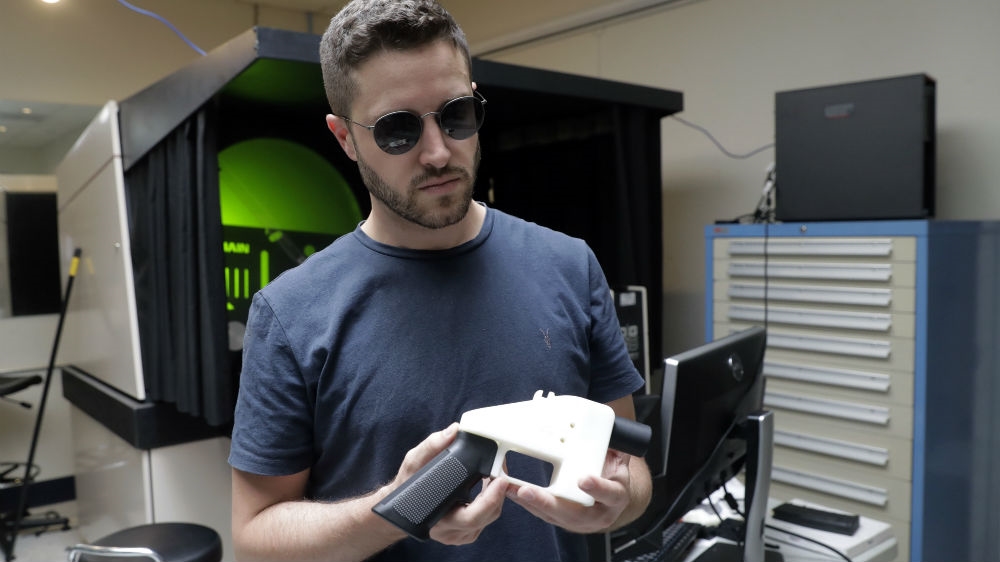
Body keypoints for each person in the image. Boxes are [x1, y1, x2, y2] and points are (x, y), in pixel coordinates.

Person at [228, 1, 652, 560]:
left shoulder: (570, 266)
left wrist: (618, 502)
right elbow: (255, 537)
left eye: (455, 115)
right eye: (397, 129)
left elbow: (629, 467)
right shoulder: (291, 311)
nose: (438, 152)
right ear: (345, 138)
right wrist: (398, 511)